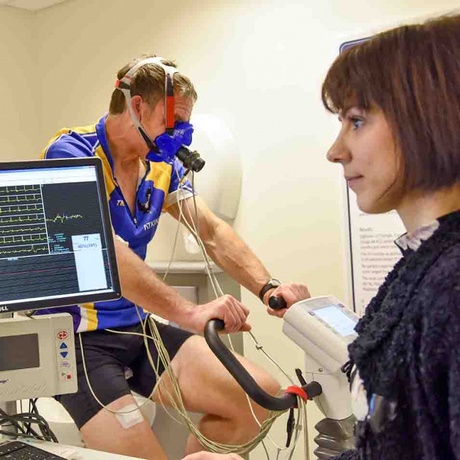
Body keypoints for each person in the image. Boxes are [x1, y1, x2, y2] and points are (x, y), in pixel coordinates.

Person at [183, 11, 460, 460]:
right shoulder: (425, 261)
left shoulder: (449, 286)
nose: (336, 151)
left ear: (425, 119)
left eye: (355, 121)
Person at [37, 55, 310, 459]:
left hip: (138, 329)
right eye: (174, 120)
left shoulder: (159, 166)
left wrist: (267, 287)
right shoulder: (72, 153)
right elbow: (105, 252)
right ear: (138, 106)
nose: (182, 132)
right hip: (77, 343)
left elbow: (212, 231)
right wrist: (190, 313)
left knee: (258, 399)